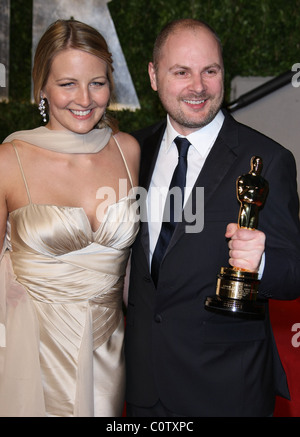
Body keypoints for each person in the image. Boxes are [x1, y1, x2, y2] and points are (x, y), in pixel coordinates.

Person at [124, 18, 300, 417]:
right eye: (181, 71)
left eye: (210, 71)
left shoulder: (269, 160)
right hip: (143, 388)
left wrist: (262, 261)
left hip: (226, 390)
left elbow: (293, 274)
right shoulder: (132, 150)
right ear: (154, 75)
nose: (198, 86)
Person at [0, 19, 140, 417]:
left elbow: (131, 273)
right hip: (32, 360)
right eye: (67, 84)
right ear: (42, 87)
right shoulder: (9, 161)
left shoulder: (127, 152)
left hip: (108, 356)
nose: (84, 99)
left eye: (97, 82)